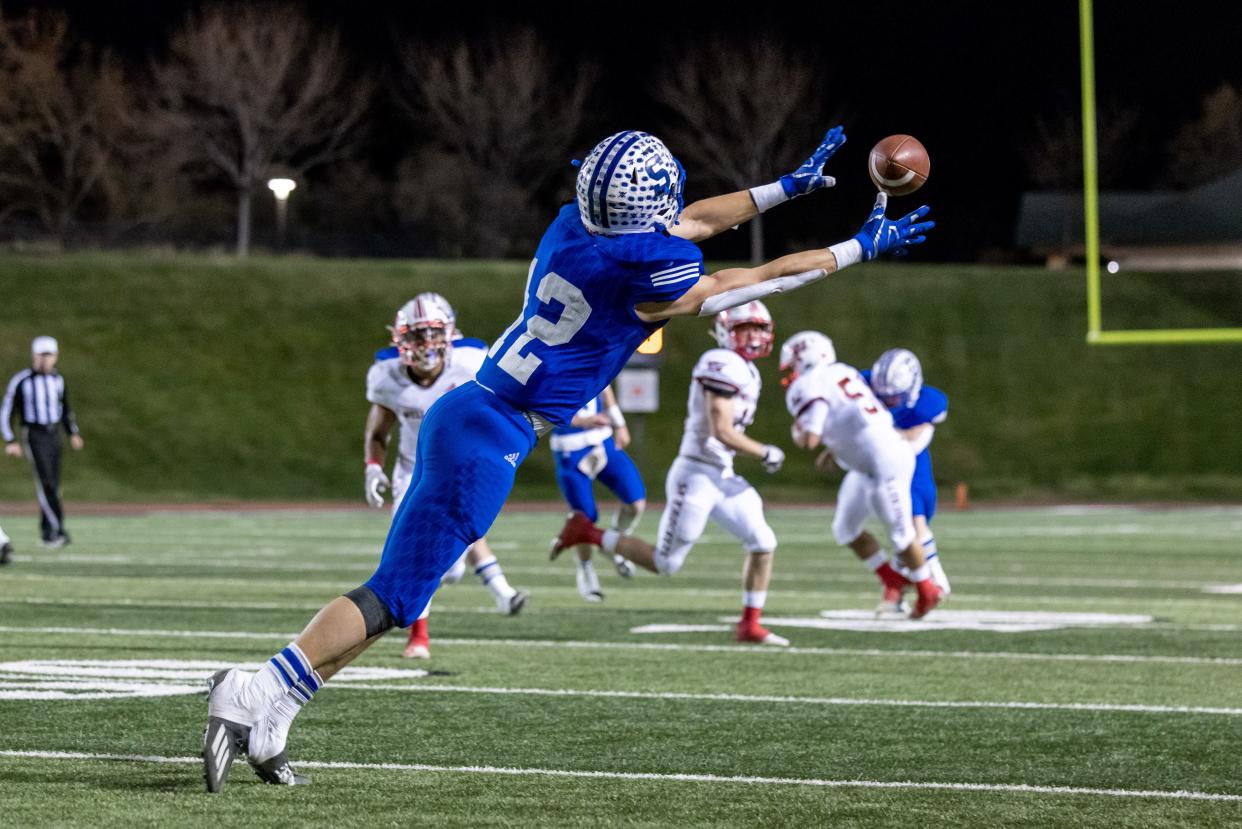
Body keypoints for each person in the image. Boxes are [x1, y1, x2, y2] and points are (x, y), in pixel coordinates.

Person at [202, 125, 934, 792]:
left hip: (471, 410)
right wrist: (855, 249)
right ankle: (260, 687)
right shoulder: (643, 276)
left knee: (403, 593)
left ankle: (277, 712)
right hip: (492, 435)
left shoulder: (572, 225)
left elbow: (696, 221)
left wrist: (786, 188)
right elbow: (746, 281)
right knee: (393, 594)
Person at [553, 300, 789, 646]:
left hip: (721, 474)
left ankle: (749, 625)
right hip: (696, 475)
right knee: (666, 563)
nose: (752, 335)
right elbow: (721, 430)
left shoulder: (745, 369)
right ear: (726, 331)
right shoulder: (720, 363)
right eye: (743, 328)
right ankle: (587, 533)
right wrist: (765, 451)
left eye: (758, 328)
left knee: (763, 542)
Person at [364, 293, 527, 659]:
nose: (424, 344)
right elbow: (377, 431)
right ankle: (418, 636)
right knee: (413, 554)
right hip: (411, 472)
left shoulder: (471, 363)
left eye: (431, 334)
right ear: (400, 339)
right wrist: (372, 468)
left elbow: (498, 411)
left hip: (457, 468)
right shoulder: (386, 375)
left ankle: (487, 589)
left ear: (449, 333)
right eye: (416, 336)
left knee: (450, 567)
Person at [779, 331, 945, 620]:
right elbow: (854, 414)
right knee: (845, 528)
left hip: (886, 464)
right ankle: (892, 578)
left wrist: (797, 432)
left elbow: (809, 439)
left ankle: (927, 587)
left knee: (903, 535)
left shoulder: (810, 384)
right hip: (867, 463)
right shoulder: (842, 372)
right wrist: (837, 446)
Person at [865, 348, 951, 613]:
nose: (889, 402)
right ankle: (896, 590)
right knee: (901, 530)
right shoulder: (863, 383)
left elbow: (914, 437)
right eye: (884, 397)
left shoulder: (928, 403)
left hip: (913, 470)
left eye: (895, 397)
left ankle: (935, 581)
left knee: (911, 526)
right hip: (879, 467)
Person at [547, 384, 643, 602]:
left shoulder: (593, 352)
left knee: (636, 502)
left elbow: (605, 386)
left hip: (603, 440)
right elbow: (545, 412)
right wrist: (583, 421)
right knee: (584, 519)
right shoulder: (551, 363)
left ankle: (612, 543)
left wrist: (619, 423)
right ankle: (585, 568)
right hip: (570, 448)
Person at [2, 336, 83, 549]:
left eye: (49, 355)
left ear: (56, 357)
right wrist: (10, 439)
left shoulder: (58, 380)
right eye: (41, 355)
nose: (44, 360)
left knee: (54, 485)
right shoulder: (22, 381)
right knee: (45, 483)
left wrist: (72, 433)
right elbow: (7, 412)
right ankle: (56, 531)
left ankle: (49, 531)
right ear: (34, 355)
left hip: (53, 434)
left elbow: (65, 409)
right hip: (34, 434)